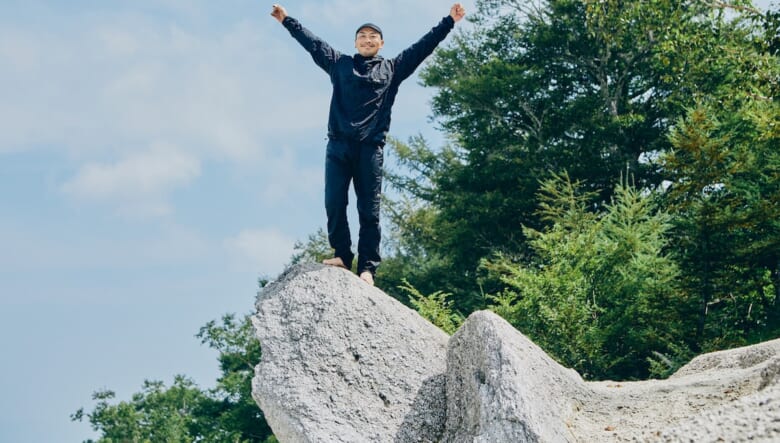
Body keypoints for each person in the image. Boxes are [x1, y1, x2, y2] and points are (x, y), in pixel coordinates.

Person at [271, 3, 466, 285]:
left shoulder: (393, 69)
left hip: (369, 150)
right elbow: (312, 44)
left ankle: (367, 268)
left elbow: (423, 47)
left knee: (369, 211)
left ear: (381, 43)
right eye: (362, 36)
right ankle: (341, 254)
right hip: (338, 146)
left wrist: (449, 21)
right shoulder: (339, 64)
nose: (367, 39)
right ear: (355, 42)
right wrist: (286, 20)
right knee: (334, 203)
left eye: (373, 36)